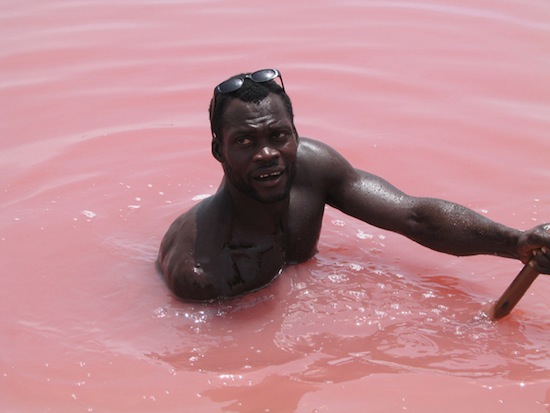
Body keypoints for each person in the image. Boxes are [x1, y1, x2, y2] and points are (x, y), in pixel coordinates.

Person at [157, 68, 550, 301]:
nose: (267, 154)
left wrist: (515, 243)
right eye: (245, 142)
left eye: (279, 136)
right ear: (217, 150)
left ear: (295, 134)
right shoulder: (200, 270)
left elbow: (414, 217)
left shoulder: (312, 166)